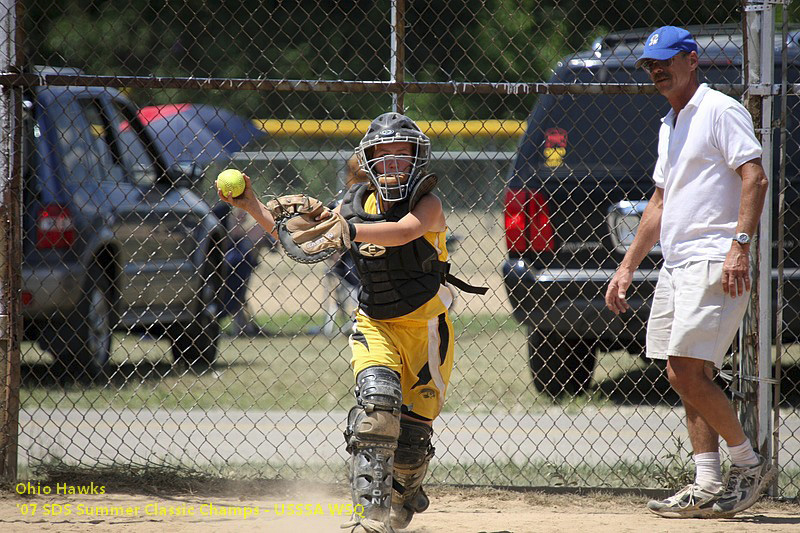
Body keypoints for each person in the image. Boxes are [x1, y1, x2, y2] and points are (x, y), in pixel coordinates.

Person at [218, 112, 485, 532]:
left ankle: (405, 492)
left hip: (427, 331)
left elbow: (399, 233)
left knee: (411, 447)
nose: (394, 164)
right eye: (385, 155)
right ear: (369, 161)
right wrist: (252, 204)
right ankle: (369, 517)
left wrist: (348, 230)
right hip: (376, 324)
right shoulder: (355, 205)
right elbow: (299, 241)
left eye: (403, 155)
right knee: (377, 409)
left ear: (419, 160)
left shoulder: (427, 204)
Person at [605, 26, 775, 518]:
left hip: (715, 260)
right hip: (677, 264)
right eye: (649, 64)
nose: (657, 69)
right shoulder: (670, 122)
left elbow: (754, 177)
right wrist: (628, 264)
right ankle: (706, 482)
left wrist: (738, 247)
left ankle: (748, 462)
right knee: (683, 373)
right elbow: (659, 201)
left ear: (692, 59)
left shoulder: (720, 110)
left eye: (665, 60)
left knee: (684, 369)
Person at [213, 202, 274, 337]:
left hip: (239, 261)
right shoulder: (223, 221)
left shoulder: (243, 238)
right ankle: (243, 326)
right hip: (231, 262)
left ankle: (245, 326)